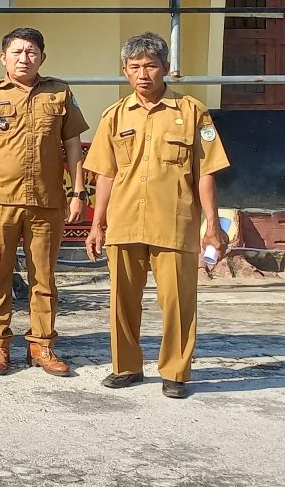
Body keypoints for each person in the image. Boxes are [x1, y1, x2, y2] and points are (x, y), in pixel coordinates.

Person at [84, 33, 230, 399]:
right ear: (125, 71)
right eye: (134, 67)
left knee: (178, 302)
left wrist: (213, 226)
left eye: (150, 66)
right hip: (124, 221)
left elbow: (206, 172)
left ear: (165, 68)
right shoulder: (114, 115)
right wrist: (97, 224)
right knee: (121, 300)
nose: (142, 74)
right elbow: (105, 174)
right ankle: (126, 366)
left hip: (174, 222)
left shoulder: (193, 112)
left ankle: (175, 372)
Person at [0, 27, 88, 377]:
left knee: (44, 277)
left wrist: (78, 191)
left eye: (31, 52)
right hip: (0, 201)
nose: (24, 58)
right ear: (3, 58)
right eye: (16, 52)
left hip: (47, 201)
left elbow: (73, 146)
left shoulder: (59, 92)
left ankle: (41, 345)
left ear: (42, 57)